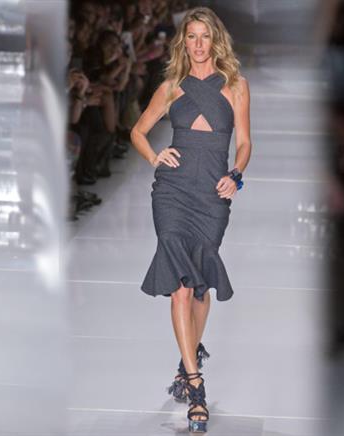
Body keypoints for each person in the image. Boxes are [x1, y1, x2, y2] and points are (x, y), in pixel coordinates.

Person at [129, 6, 252, 433]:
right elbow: (137, 131)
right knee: (180, 286)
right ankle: (195, 385)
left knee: (200, 285)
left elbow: (245, 142)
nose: (198, 44)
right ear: (184, 42)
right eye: (192, 37)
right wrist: (154, 157)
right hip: (173, 190)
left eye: (205, 36)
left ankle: (187, 359)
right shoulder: (171, 87)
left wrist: (236, 175)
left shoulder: (236, 86)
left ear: (216, 41)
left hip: (213, 191)